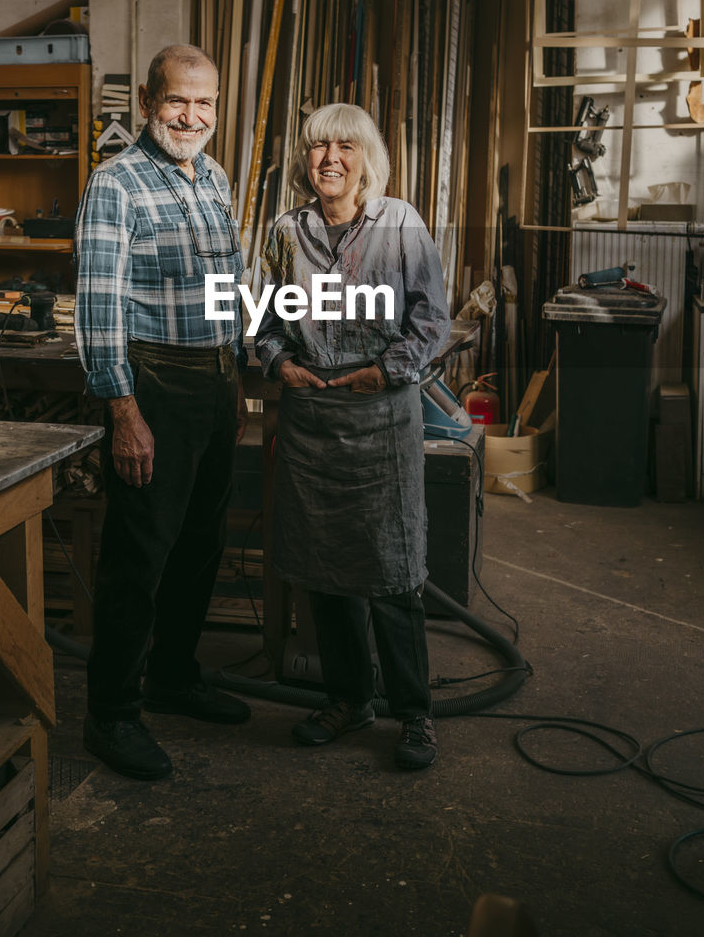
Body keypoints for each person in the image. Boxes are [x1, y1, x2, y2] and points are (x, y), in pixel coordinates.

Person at [255, 103, 450, 771]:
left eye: (344, 147)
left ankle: (414, 713)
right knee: (324, 569)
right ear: (303, 160)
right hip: (312, 418)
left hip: (380, 414)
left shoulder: (400, 223)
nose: (328, 159)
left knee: (392, 570)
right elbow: (266, 320)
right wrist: (278, 362)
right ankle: (347, 699)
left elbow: (430, 321)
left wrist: (383, 371)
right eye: (315, 147)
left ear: (366, 158)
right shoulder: (288, 232)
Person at [74, 44, 250, 782]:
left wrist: (237, 365)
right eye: (178, 101)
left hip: (213, 381)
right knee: (138, 556)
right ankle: (111, 715)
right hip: (154, 386)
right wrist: (123, 410)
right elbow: (98, 302)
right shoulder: (114, 183)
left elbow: (223, 288)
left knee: (198, 546)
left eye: (205, 103)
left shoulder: (211, 176)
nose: (192, 116)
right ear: (148, 102)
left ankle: (173, 677)